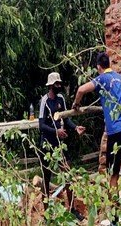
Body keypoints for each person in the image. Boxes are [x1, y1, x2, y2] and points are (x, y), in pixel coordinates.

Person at [72, 52, 121, 208]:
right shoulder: (119, 78)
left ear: (99, 67)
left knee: (113, 175)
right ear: (110, 65)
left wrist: (76, 104)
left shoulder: (101, 79)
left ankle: (114, 217)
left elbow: (81, 90)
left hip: (115, 132)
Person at [38, 71, 85, 219]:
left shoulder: (61, 99)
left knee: (68, 175)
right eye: (57, 84)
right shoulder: (44, 101)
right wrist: (55, 131)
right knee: (46, 178)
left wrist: (74, 127)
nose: (59, 86)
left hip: (60, 145)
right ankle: (46, 215)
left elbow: (66, 118)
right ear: (51, 85)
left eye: (60, 83)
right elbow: (41, 125)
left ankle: (71, 209)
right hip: (47, 145)